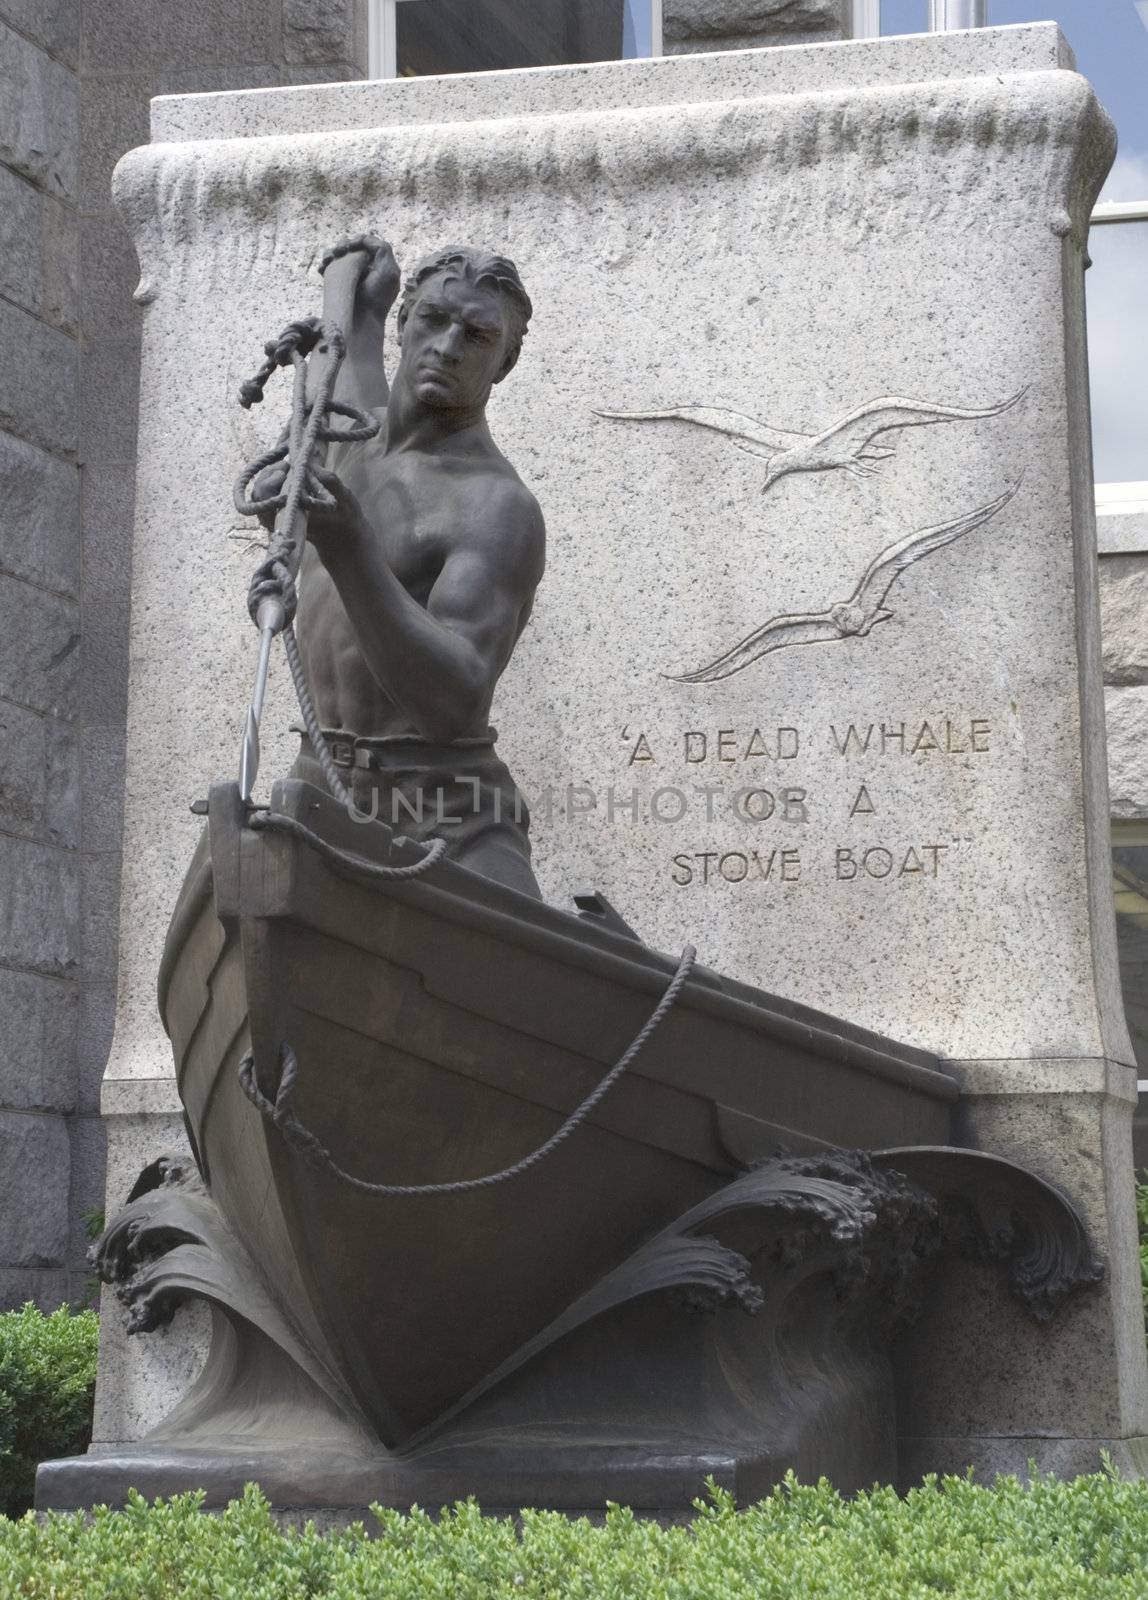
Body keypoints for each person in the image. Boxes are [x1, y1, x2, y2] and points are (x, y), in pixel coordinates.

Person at [271, 235, 546, 898]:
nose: (449, 347)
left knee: (515, 961)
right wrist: (358, 291)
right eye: (433, 321)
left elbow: (453, 703)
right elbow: (350, 339)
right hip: (322, 788)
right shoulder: (346, 435)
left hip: (445, 814)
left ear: (503, 363)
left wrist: (348, 547)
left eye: (477, 336)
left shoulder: (495, 507)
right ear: (405, 326)